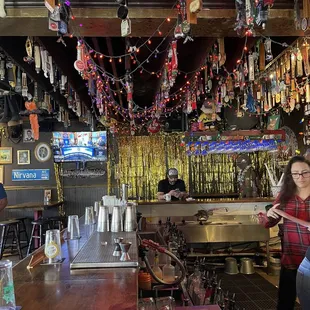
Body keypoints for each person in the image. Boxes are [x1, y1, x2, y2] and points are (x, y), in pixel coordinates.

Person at [265, 156, 310, 310]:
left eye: (305, 172)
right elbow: (268, 222)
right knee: (285, 302)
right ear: (290, 176)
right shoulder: (284, 197)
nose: (300, 177)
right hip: (292, 256)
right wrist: (269, 214)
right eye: (295, 173)